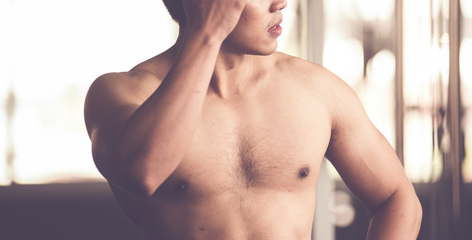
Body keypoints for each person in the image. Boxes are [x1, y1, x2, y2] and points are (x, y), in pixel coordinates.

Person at [84, 0, 422, 239]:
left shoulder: (318, 90)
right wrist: (207, 35)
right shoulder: (121, 94)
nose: (281, 3)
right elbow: (143, 173)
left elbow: (396, 197)